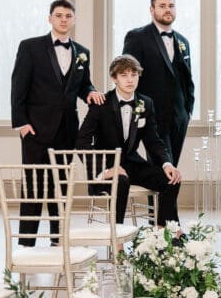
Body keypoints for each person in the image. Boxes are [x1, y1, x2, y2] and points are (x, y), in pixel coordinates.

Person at [10, 0, 104, 246]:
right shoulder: (30, 47)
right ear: (49, 18)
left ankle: (57, 239)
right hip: (35, 129)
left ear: (73, 20)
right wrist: (22, 123)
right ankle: (26, 243)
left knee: (60, 186)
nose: (63, 20)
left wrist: (91, 92)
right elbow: (18, 86)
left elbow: (83, 85)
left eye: (68, 16)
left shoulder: (82, 52)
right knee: (33, 185)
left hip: (67, 130)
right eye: (59, 15)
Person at [76, 54, 182, 228]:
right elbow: (82, 142)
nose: (130, 80)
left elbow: (153, 141)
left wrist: (167, 164)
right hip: (106, 168)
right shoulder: (101, 104)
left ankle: (164, 232)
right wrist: (103, 170)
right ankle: (116, 236)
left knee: (171, 179)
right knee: (121, 181)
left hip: (133, 165)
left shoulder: (146, 103)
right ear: (114, 78)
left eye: (134, 74)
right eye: (124, 75)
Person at [123, 0, 194, 165]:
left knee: (171, 168)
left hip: (179, 117)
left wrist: (188, 110)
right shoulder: (137, 37)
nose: (167, 9)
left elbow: (187, 79)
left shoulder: (183, 41)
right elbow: (128, 75)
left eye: (171, 6)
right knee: (163, 168)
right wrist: (138, 110)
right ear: (152, 10)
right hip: (153, 116)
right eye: (162, 6)